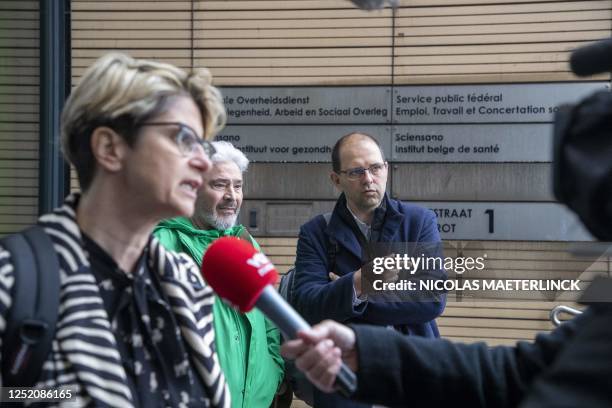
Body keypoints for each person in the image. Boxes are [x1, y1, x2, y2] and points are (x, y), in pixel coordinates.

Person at [0, 53, 230, 407]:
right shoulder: (12, 280)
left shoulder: (188, 285)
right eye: (183, 138)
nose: (202, 160)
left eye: (203, 145)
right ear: (110, 148)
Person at [290, 132, 446, 407]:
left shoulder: (418, 221)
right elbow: (307, 305)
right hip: (343, 378)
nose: (369, 179)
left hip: (412, 370)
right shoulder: (316, 232)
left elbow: (432, 298)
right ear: (336, 179)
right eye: (356, 171)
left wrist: (350, 296)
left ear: (386, 168)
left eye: (375, 168)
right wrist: (361, 282)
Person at [154, 141, 286, 408]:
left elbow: (270, 316)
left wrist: (273, 371)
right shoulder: (162, 244)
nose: (232, 196)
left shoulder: (245, 242)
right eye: (219, 185)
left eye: (237, 186)